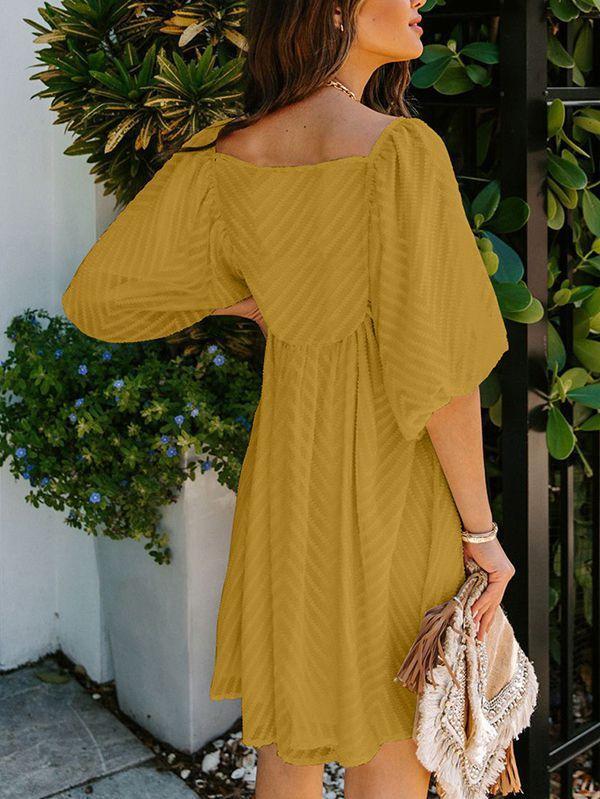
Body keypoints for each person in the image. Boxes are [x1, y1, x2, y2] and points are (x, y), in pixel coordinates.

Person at [61, 0, 517, 796]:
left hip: (286, 484)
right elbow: (444, 376)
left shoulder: (226, 152)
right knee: (394, 735)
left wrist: (259, 302)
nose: (420, 1)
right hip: (391, 484)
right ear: (334, 9)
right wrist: (481, 533)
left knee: (288, 739)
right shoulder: (401, 152)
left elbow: (98, 299)